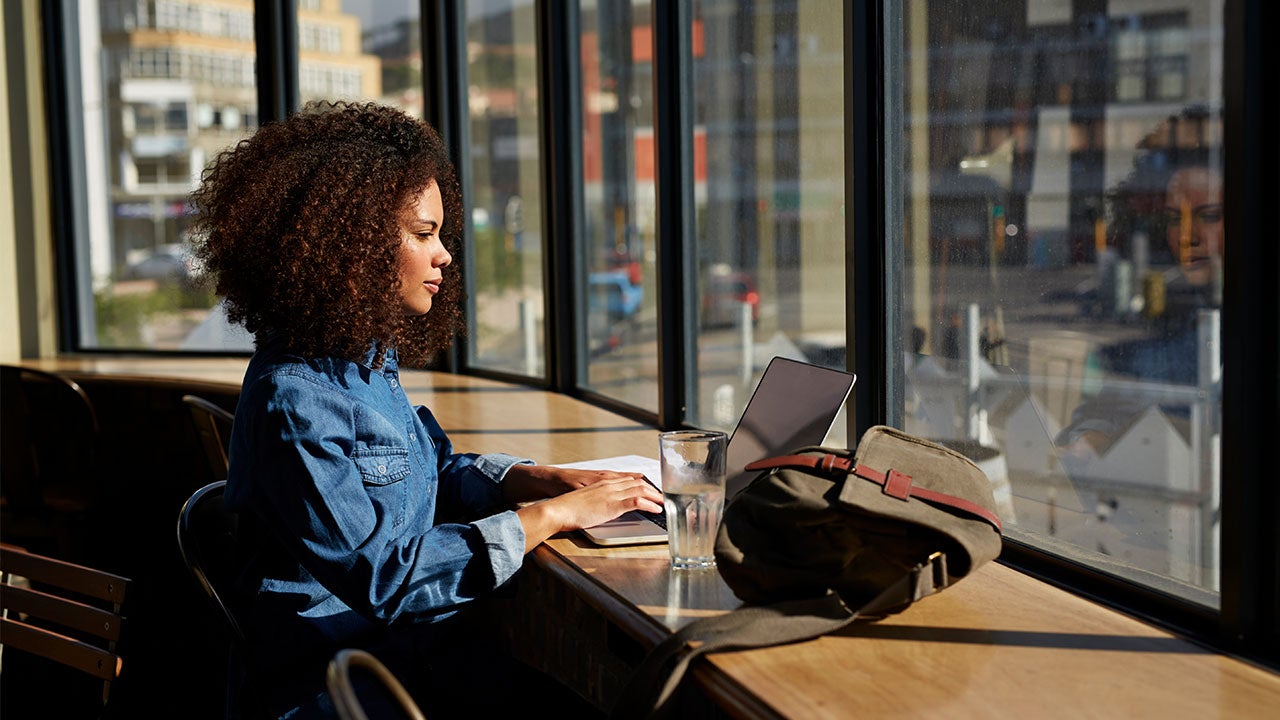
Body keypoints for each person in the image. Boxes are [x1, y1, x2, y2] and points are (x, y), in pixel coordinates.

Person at [189, 101, 663, 719]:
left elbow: (426, 470)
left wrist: (532, 479)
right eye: (423, 234)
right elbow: (385, 577)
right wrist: (551, 515)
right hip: (342, 686)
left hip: (408, 654)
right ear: (348, 243)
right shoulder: (296, 400)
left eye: (441, 233)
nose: (443, 255)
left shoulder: (363, 363)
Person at [1057, 110, 1222, 458]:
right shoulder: (1184, 320)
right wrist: (1093, 434)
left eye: (1208, 216)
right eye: (1176, 219)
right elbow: (1113, 400)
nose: (1188, 237)